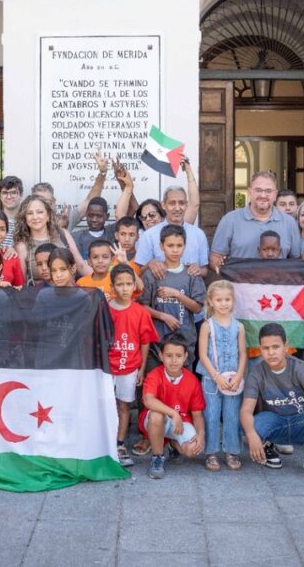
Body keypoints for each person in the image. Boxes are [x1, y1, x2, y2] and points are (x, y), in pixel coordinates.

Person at [241, 323, 304, 481]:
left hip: (300, 421)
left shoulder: (300, 368)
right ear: (260, 349)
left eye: (276, 347)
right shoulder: (257, 372)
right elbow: (246, 410)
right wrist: (252, 436)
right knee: (248, 426)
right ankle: (267, 446)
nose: (271, 352)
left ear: (286, 347)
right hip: (276, 421)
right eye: (266, 348)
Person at [106, 264, 157, 467]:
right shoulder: (105, 310)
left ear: (134, 285)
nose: (125, 288)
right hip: (107, 368)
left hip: (130, 366)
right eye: (120, 284)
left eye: (129, 284)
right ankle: (105, 443)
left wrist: (142, 369)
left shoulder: (140, 312)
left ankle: (120, 444)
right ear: (112, 286)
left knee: (124, 405)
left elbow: (145, 342)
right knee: (106, 405)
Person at [139, 225, 207, 366]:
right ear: (161, 246)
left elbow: (197, 308)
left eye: (179, 245)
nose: (175, 250)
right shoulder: (152, 274)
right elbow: (141, 306)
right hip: (156, 345)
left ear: (185, 246)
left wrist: (176, 294)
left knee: (182, 379)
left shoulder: (192, 274)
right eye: (170, 245)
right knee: (156, 378)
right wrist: (163, 316)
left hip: (184, 343)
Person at [140, 334, 206, 479]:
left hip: (181, 422)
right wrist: (173, 414)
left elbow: (197, 414)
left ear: (185, 356)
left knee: (193, 450)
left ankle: (172, 444)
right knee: (156, 415)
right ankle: (157, 457)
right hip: (157, 421)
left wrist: (201, 434)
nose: (174, 360)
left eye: (178, 356)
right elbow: (148, 400)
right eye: (169, 355)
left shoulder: (192, 380)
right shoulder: (154, 375)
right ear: (161, 356)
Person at [197, 280, 247, 472]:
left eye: (227, 299)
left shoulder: (239, 327)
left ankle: (231, 451)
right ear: (210, 301)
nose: (224, 303)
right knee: (211, 414)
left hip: (233, 378)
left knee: (232, 414)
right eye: (219, 300)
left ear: (233, 301)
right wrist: (216, 376)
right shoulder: (207, 326)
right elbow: (203, 354)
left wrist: (239, 375)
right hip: (211, 379)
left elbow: (243, 353)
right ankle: (211, 452)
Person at [211, 171, 303, 270]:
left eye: (268, 191)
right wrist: (224, 273)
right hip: (240, 279)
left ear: (275, 194)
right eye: (258, 190)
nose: (263, 195)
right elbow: (215, 257)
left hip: (278, 280)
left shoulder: (289, 223)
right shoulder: (230, 220)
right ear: (250, 192)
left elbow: (297, 261)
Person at [135, 184, 209, 279]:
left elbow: (205, 270)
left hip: (190, 288)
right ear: (163, 205)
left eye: (181, 203)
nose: (177, 208)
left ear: (186, 205)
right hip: (160, 287)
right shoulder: (149, 235)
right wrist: (150, 264)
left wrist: (198, 270)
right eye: (172, 203)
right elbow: (139, 271)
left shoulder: (198, 234)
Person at [14, 195, 86, 284]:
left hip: (68, 290)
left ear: (48, 215)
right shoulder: (22, 246)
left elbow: (81, 266)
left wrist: (100, 282)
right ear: (24, 218)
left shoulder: (62, 234)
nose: (35, 217)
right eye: (30, 213)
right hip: (39, 292)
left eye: (39, 212)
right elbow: (22, 283)